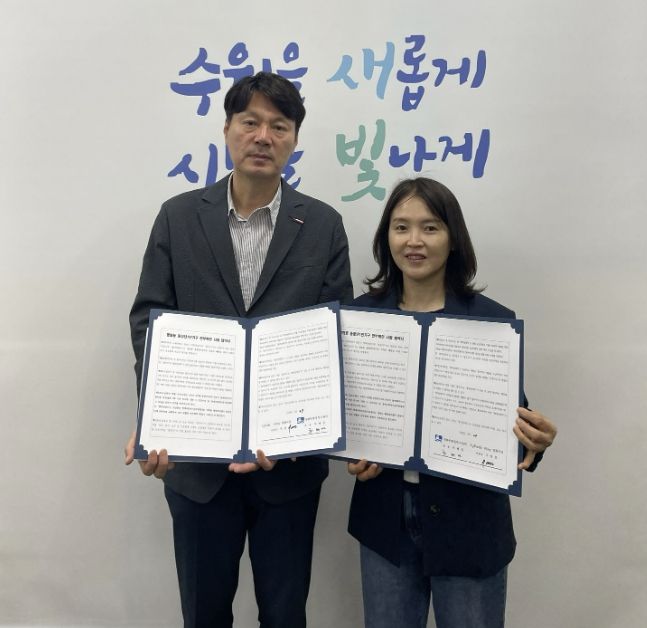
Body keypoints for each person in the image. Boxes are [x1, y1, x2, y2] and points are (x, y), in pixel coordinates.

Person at [124, 72, 353, 628]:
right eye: (250, 122)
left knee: (285, 615)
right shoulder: (179, 216)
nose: (263, 137)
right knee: (203, 614)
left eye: (279, 126)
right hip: (197, 471)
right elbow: (149, 321)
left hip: (288, 472)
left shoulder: (323, 224)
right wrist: (158, 420)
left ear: (294, 139)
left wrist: (298, 434)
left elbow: (333, 337)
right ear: (227, 129)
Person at [347, 177, 556, 628]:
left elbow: (509, 424)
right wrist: (352, 453)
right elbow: (349, 416)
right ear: (386, 237)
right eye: (401, 227)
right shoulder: (360, 317)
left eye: (430, 227)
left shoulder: (492, 322)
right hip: (385, 523)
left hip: (470, 526)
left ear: (453, 238)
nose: (414, 241)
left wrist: (534, 442)